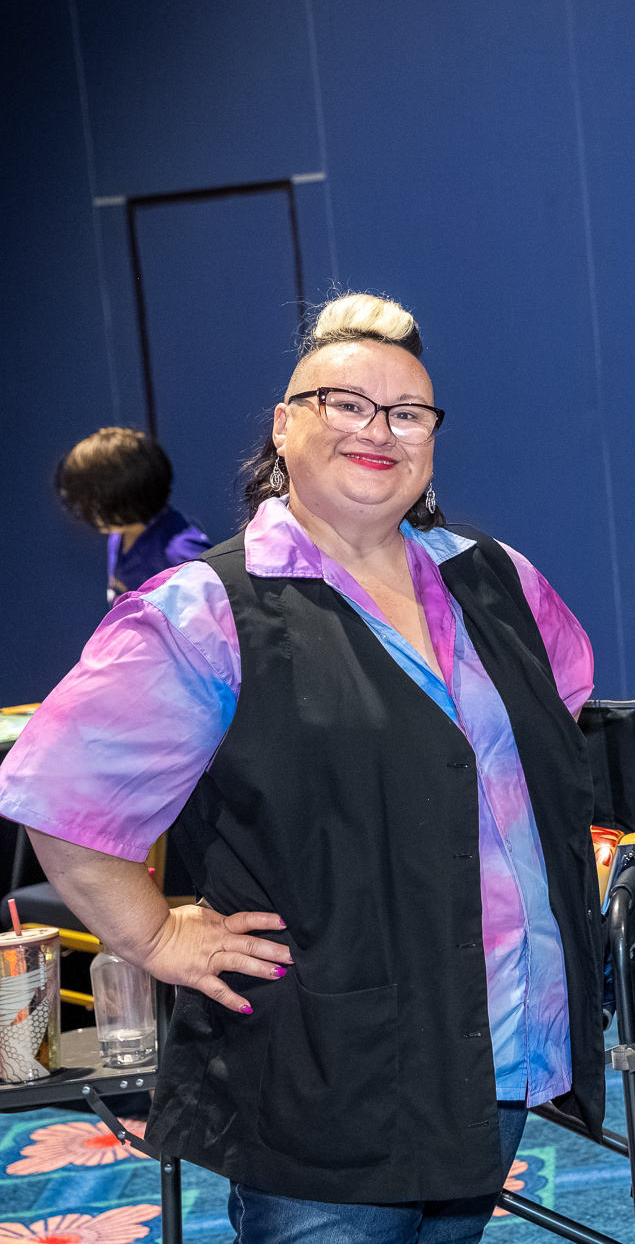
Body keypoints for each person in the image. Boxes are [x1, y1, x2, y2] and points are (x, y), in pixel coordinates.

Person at [0, 293, 604, 1243]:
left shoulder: (498, 578)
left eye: (407, 412)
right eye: (345, 404)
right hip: (326, 1082)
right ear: (284, 426)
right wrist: (156, 936)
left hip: (492, 1053)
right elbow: (58, 789)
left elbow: (554, 714)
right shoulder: (207, 609)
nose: (378, 430)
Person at [54, 427, 212, 603]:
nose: (88, 511)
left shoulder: (182, 551)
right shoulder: (118, 535)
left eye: (94, 501)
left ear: (121, 500)